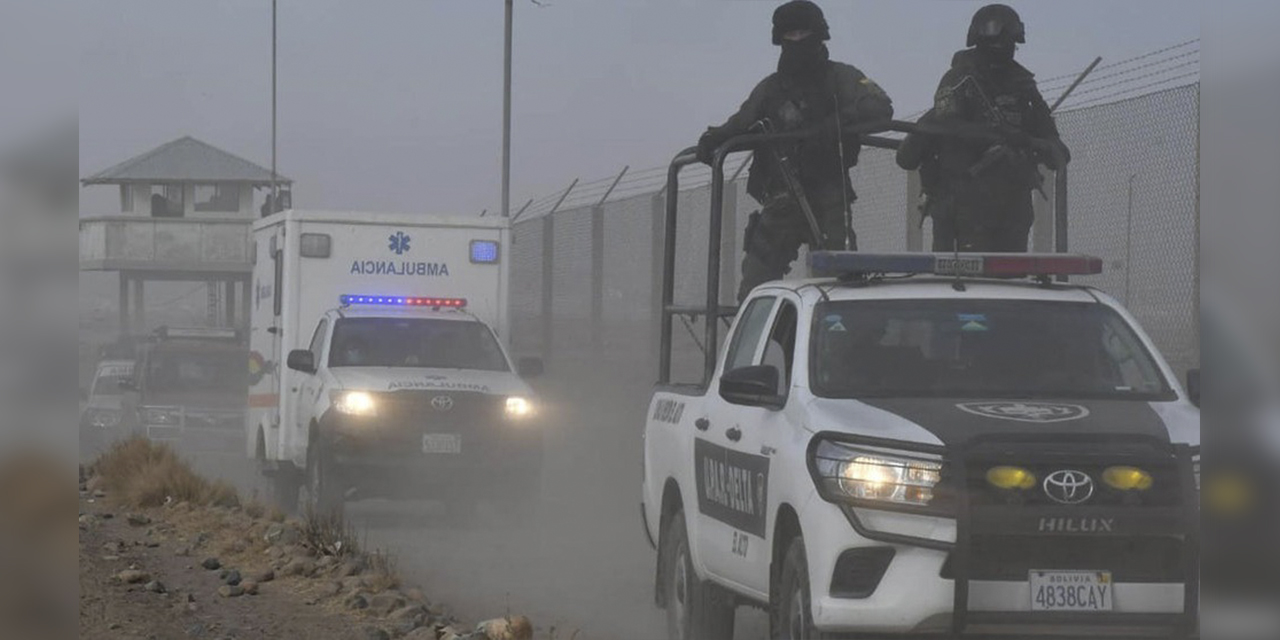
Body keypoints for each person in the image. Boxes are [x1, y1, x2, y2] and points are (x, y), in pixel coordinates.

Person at [696, 0, 893, 301]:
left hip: (829, 196)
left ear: (819, 35)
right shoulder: (771, 88)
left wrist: (837, 122)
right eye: (791, 35)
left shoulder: (841, 77)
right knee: (754, 291)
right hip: (782, 198)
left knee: (838, 289)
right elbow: (743, 120)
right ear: (780, 39)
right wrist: (715, 138)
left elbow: (881, 107)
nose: (798, 41)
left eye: (804, 33)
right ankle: (780, 343)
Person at [921, 3, 1070, 252]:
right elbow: (947, 127)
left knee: (1010, 281)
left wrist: (1044, 146)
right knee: (966, 281)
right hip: (965, 202)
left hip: (1012, 203)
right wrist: (998, 136)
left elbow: (1053, 143)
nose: (1006, 48)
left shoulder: (1023, 85)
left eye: (1011, 42)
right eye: (1002, 41)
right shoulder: (960, 79)